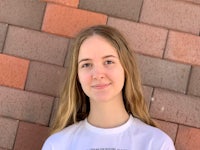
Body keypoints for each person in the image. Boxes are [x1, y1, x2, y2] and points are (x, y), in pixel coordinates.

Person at [42, 25, 175, 150]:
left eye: (108, 62)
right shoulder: (58, 145)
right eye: (86, 65)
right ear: (77, 76)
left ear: (126, 68)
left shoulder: (156, 144)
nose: (97, 74)